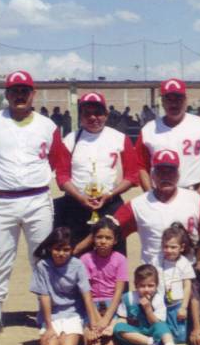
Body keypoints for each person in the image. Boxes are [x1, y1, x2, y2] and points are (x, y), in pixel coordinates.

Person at [0, 70, 72, 339]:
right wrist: (1, 178)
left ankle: (44, 311)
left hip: (37, 199)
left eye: (24, 91)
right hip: (3, 200)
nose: (19, 95)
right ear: (7, 94)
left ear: (32, 94)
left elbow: (56, 160)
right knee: (0, 258)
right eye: (14, 91)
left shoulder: (47, 126)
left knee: (41, 258)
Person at [75, 149, 200, 264]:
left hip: (187, 274)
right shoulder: (138, 204)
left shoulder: (194, 200)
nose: (166, 177)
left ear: (178, 174)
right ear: (152, 175)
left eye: (170, 172)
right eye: (161, 172)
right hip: (151, 278)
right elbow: (107, 228)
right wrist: (75, 251)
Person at [54, 92, 138, 253]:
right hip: (77, 205)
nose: (93, 117)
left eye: (98, 113)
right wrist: (80, 197)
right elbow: (62, 177)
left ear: (106, 114)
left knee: (113, 254)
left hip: (110, 204)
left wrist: (111, 194)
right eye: (87, 113)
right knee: (76, 253)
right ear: (81, 116)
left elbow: (132, 176)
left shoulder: (120, 139)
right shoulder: (70, 140)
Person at [136, 78, 200, 195]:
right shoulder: (148, 130)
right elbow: (141, 167)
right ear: (162, 101)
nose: (174, 104)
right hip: (161, 194)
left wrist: (199, 193)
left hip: (193, 191)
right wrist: (150, 194)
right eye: (169, 99)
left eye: (178, 99)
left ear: (185, 100)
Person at [29, 227, 96, 345]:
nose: (61, 253)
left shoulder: (77, 265)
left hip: (73, 313)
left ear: (72, 249)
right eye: (57, 249)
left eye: (66, 250)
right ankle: (55, 335)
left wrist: (92, 324)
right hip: (51, 315)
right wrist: (49, 327)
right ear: (50, 248)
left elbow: (86, 295)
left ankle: (73, 335)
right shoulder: (42, 266)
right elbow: (44, 297)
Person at [80, 217, 128, 345]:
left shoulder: (120, 259)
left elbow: (119, 292)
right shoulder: (85, 259)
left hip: (112, 305)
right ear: (93, 238)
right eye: (99, 237)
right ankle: (85, 330)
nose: (103, 241)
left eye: (108, 238)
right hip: (91, 305)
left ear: (115, 240)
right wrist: (96, 320)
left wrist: (106, 319)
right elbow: (86, 292)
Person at [113, 264, 179, 345]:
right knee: (118, 327)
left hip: (152, 330)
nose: (146, 289)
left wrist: (148, 308)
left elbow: (156, 323)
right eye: (142, 286)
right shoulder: (129, 297)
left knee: (162, 326)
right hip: (136, 335)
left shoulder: (158, 299)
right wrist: (115, 326)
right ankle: (152, 343)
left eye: (150, 285)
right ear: (136, 285)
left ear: (156, 285)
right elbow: (122, 318)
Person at [151, 223, 196, 344]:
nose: (168, 250)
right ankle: (161, 341)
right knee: (160, 328)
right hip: (160, 301)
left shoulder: (184, 263)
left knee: (180, 337)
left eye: (173, 247)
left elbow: (187, 286)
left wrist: (184, 307)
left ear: (181, 247)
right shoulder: (157, 260)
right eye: (165, 246)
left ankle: (169, 340)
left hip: (177, 304)